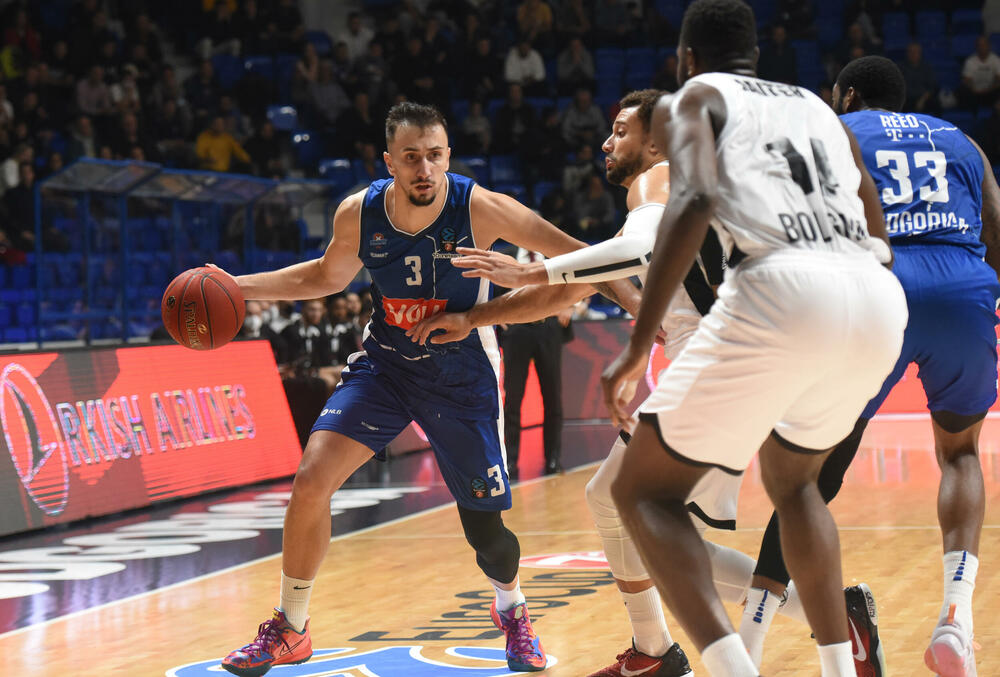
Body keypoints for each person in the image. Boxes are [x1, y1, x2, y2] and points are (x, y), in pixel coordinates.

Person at [409, 88, 834, 677]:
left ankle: (795, 625)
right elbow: (576, 288)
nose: (607, 143)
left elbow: (623, 253)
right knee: (615, 501)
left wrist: (532, 269)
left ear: (656, 141)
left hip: (720, 365)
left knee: (645, 517)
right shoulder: (685, 189)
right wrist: (478, 316)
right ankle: (661, 648)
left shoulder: (658, 178)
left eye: (620, 130)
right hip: (741, 360)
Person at [217, 102, 637, 677]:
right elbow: (323, 276)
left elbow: (578, 256)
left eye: (435, 156)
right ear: (388, 161)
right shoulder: (359, 213)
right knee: (311, 478)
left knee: (485, 534)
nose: (424, 169)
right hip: (386, 366)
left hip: (462, 373)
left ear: (448, 157)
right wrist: (235, 287)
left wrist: (639, 305)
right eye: (411, 157)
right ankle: (291, 627)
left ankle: (512, 607)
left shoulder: (480, 207)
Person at [598, 2, 907, 676]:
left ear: (687, 59)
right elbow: (871, 208)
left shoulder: (695, 97)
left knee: (639, 492)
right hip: (876, 296)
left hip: (782, 289)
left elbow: (692, 201)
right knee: (796, 487)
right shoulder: (816, 106)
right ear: (756, 56)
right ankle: (839, 666)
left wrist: (636, 344)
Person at [745, 55, 1000, 677]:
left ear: (849, 94)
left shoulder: (834, 129)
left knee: (806, 477)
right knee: (961, 453)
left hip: (880, 284)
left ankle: (748, 642)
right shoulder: (960, 139)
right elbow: (996, 225)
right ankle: (956, 619)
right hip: (964, 285)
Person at [498, 247, 573, 480]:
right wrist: (495, 313)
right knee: (512, 400)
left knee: (552, 399)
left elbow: (576, 281)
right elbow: (487, 288)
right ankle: (510, 462)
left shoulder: (554, 256)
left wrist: (570, 304)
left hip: (547, 328)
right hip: (516, 331)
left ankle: (553, 459)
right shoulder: (505, 256)